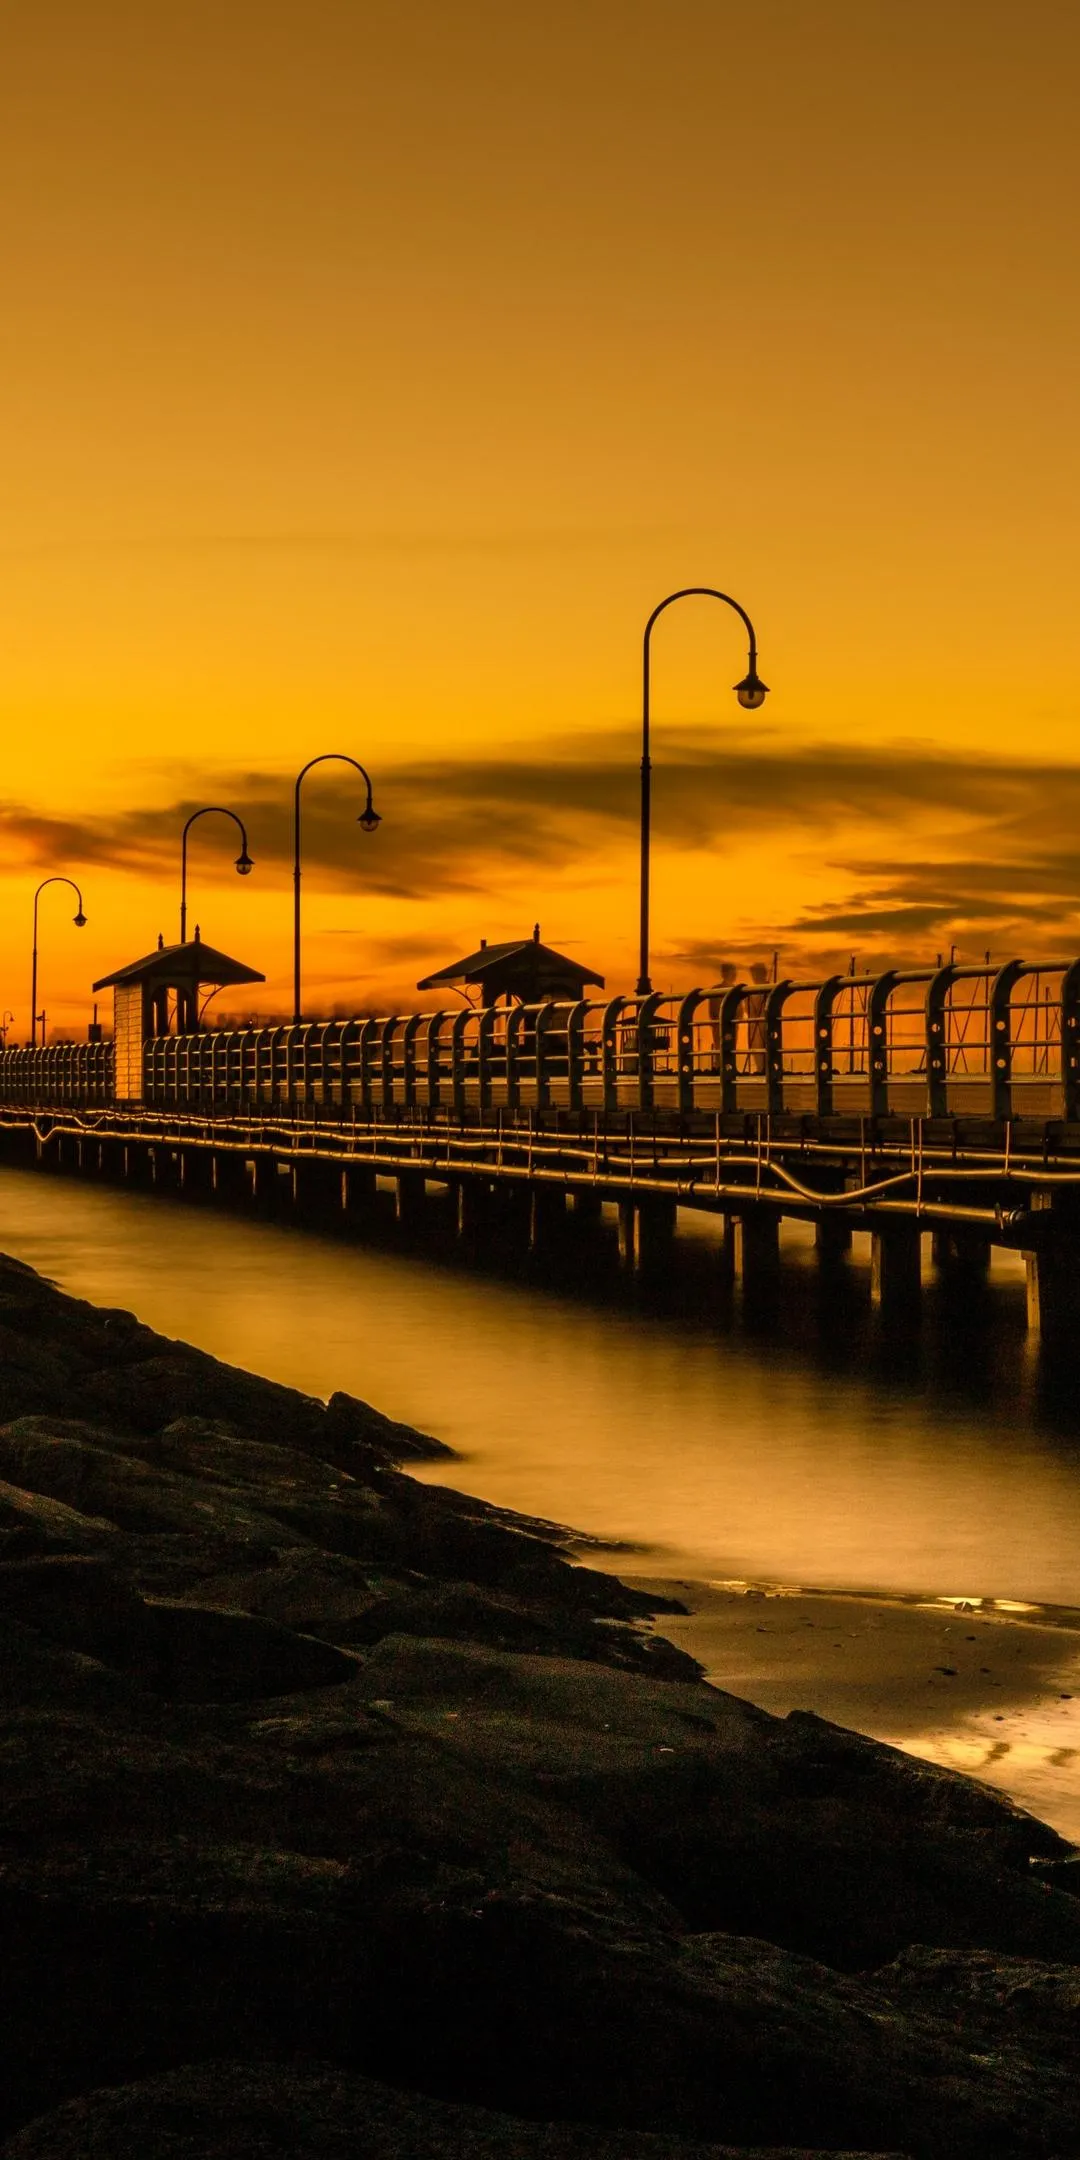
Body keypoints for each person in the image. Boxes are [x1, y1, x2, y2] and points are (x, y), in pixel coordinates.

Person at [746, 960, 770, 1075]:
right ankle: (760, 1069)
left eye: (756, 973)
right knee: (755, 1048)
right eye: (753, 974)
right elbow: (747, 1009)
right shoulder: (750, 991)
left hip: (764, 1024)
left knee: (765, 1046)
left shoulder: (769, 988)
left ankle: (764, 1069)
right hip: (753, 1024)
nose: (754, 976)